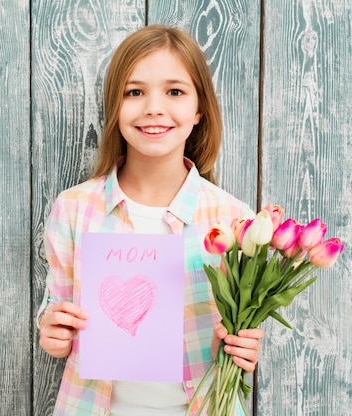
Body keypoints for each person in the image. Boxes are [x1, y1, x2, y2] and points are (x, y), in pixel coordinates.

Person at [36, 24, 265, 415]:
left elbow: (235, 335)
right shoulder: (74, 209)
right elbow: (56, 309)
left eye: (174, 91)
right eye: (134, 92)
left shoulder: (233, 220)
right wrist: (53, 332)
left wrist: (240, 347)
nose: (153, 108)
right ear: (115, 107)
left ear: (198, 110)